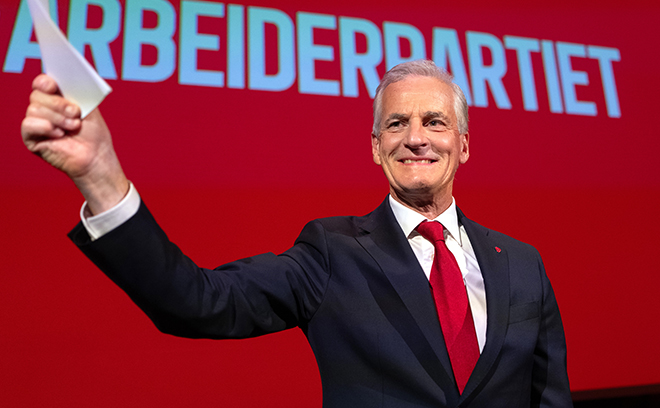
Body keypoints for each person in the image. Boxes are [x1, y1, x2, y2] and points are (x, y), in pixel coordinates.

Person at [21, 60, 572, 407]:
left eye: (434, 121)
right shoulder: (332, 253)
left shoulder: (521, 263)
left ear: (464, 144)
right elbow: (198, 302)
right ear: (376, 148)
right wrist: (101, 177)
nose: (415, 138)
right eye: (396, 124)